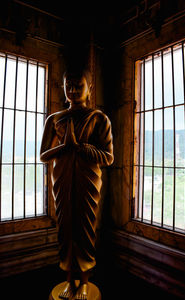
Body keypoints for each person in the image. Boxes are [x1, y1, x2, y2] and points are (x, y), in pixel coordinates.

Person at [40, 68, 114, 299]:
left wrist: (82, 148)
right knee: (65, 229)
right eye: (68, 86)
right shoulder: (54, 119)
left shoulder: (98, 118)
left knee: (85, 228)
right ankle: (69, 280)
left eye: (78, 85)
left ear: (89, 88)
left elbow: (109, 157)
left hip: (87, 182)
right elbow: (43, 155)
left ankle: (84, 281)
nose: (72, 90)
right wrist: (64, 146)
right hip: (61, 180)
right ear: (63, 88)